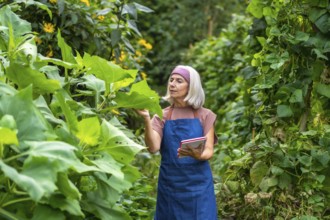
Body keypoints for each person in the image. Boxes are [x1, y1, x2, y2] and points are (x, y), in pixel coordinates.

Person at [137, 65, 218, 220]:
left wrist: (198, 155)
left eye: (179, 81)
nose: (172, 84)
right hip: (170, 186)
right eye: (171, 80)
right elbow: (153, 147)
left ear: (191, 87)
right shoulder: (162, 115)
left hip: (199, 187)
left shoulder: (205, 115)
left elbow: (209, 151)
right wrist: (146, 118)